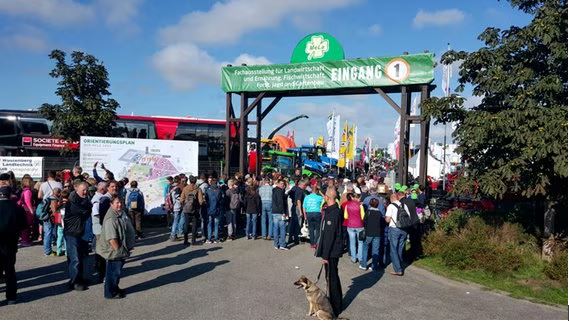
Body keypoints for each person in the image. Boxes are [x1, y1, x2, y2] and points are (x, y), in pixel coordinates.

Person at [96, 196, 135, 299]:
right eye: (117, 203)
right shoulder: (111, 218)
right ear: (111, 204)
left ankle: (115, 288)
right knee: (113, 272)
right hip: (113, 251)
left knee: (116, 272)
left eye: (121, 202)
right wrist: (119, 251)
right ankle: (110, 293)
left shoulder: (120, 213)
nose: (119, 205)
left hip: (121, 249)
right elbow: (112, 238)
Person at [315, 188, 344, 318]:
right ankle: (335, 302)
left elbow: (330, 236)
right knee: (330, 277)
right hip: (331, 250)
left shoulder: (334, 213)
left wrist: (325, 255)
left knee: (331, 278)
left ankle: (335, 306)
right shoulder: (330, 211)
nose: (323, 197)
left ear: (328, 197)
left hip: (332, 252)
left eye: (325, 195)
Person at [0, 177, 26, 304]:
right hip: (11, 242)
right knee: (10, 269)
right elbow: (24, 225)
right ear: (9, 194)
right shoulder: (17, 208)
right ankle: (11, 296)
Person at [64, 181, 93, 291]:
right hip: (72, 232)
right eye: (83, 190)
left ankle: (79, 278)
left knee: (81, 257)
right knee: (75, 258)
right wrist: (88, 207)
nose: (85, 192)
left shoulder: (85, 199)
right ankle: (74, 281)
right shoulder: (72, 201)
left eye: (86, 190)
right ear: (77, 189)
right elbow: (85, 211)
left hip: (81, 232)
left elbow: (88, 209)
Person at [385, 193, 411, 276]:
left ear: (391, 198)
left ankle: (398, 269)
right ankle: (399, 264)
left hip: (394, 229)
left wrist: (385, 218)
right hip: (404, 229)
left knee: (393, 249)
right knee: (400, 248)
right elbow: (408, 217)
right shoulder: (404, 205)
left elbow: (388, 220)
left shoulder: (391, 206)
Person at [91, 182, 109, 282]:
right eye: (106, 188)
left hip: (98, 228)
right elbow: (97, 215)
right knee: (101, 252)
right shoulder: (97, 200)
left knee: (99, 251)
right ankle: (101, 273)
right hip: (99, 229)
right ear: (102, 189)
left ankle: (99, 270)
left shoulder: (98, 199)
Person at [360, 198, 384, 271]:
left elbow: (364, 222)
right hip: (377, 234)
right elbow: (381, 224)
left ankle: (364, 265)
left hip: (368, 233)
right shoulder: (380, 213)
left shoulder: (368, 212)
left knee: (365, 248)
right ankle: (374, 266)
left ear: (370, 204)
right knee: (375, 250)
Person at [343, 192, 366, 268]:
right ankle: (360, 257)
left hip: (350, 225)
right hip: (359, 225)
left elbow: (345, 216)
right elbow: (363, 217)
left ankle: (353, 258)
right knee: (360, 242)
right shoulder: (360, 206)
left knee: (352, 242)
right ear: (357, 198)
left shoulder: (347, 205)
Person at [180, 175, 204, 245]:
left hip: (186, 209)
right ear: (195, 181)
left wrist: (184, 205)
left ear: (189, 181)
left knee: (186, 225)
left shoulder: (185, 188)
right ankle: (193, 241)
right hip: (195, 209)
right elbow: (201, 201)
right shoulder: (198, 189)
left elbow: (181, 200)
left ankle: (185, 240)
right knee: (194, 225)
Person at [303, 183, 323, 249]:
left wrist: (305, 216)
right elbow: (326, 199)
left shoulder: (307, 197)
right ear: (317, 191)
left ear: (311, 190)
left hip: (309, 213)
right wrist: (321, 192)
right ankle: (316, 243)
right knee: (317, 229)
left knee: (311, 229)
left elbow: (304, 207)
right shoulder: (320, 197)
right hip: (317, 213)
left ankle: (312, 243)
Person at [288, 179, 307, 246]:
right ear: (301, 184)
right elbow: (299, 201)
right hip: (297, 207)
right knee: (298, 224)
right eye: (304, 185)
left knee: (293, 223)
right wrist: (301, 211)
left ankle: (290, 238)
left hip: (293, 207)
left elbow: (289, 194)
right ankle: (296, 239)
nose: (305, 186)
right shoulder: (300, 191)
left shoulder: (294, 188)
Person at [17, 176, 35, 247]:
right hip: (27, 211)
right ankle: (25, 241)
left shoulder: (24, 190)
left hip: (24, 210)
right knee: (26, 226)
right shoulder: (28, 191)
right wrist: (31, 211)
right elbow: (28, 202)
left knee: (25, 226)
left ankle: (24, 240)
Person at [271, 179, 289, 250]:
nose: (282, 185)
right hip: (279, 212)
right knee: (282, 229)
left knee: (276, 228)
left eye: (283, 184)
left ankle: (276, 244)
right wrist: (283, 212)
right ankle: (282, 245)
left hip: (274, 211)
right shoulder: (279, 191)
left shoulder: (274, 190)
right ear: (278, 184)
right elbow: (280, 202)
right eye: (281, 183)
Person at [204, 178, 223, 243]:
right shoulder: (219, 190)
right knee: (216, 224)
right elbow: (221, 200)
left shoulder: (207, 190)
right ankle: (216, 238)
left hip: (209, 209)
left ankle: (209, 238)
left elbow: (206, 200)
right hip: (217, 209)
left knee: (209, 224)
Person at [169, 177, 183, 241]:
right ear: (179, 181)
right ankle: (173, 235)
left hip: (173, 206)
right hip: (177, 206)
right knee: (176, 221)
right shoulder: (177, 189)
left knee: (175, 221)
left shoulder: (171, 187)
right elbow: (178, 198)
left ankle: (173, 234)